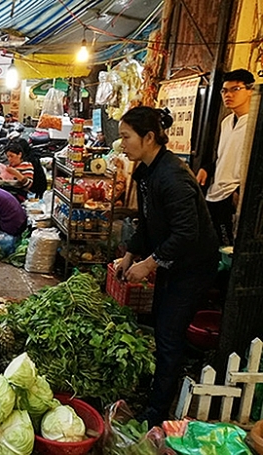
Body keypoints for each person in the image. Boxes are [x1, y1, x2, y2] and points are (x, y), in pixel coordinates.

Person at [114, 106, 219, 427]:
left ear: (148, 137)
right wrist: (131, 255)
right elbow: (147, 222)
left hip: (193, 266)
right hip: (172, 262)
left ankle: (157, 411)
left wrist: (149, 264)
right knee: (162, 327)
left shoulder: (172, 176)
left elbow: (187, 233)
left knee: (169, 335)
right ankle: (157, 387)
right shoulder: (147, 170)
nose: (122, 145)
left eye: (126, 137)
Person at [196, 69, 254, 246]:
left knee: (229, 246)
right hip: (215, 192)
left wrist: (240, 191)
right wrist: (208, 168)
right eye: (224, 91)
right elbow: (225, 155)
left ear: (250, 90)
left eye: (235, 89)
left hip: (235, 195)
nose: (228, 95)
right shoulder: (226, 122)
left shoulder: (255, 124)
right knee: (211, 243)